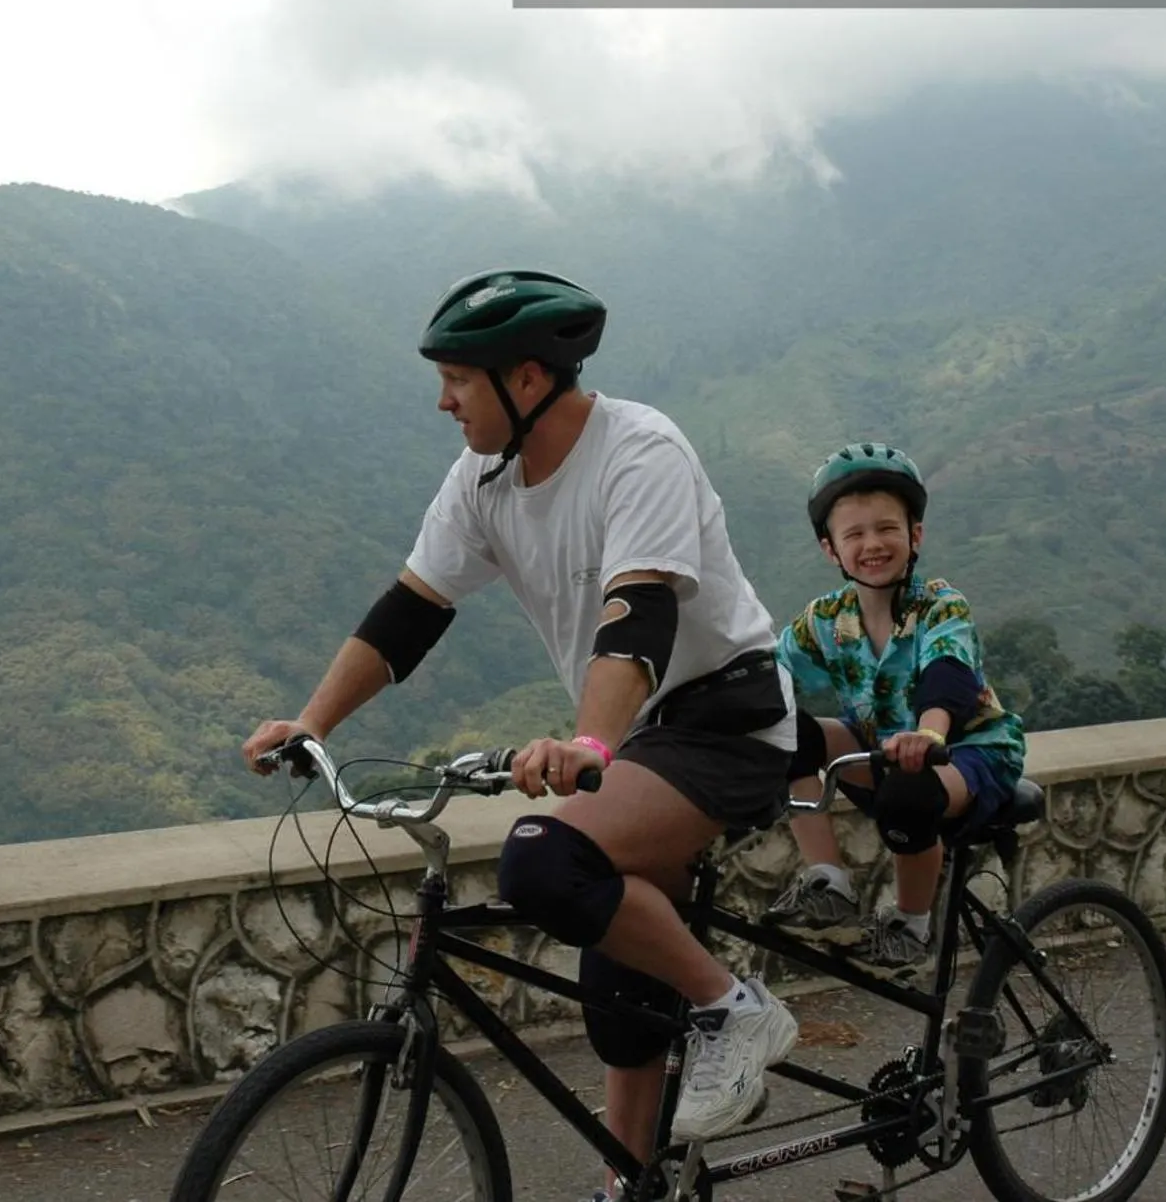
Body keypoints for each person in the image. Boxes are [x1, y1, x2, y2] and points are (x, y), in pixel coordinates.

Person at [241, 269, 803, 1198]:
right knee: (618, 977)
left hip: (723, 719)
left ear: (528, 380)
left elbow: (639, 616)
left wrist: (588, 748)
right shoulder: (482, 481)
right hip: (640, 736)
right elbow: (409, 613)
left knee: (544, 862)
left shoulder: (640, 451)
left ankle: (734, 1010)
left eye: (458, 379)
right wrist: (310, 722)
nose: (442, 400)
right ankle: (635, 1182)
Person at [762, 443, 1028, 978]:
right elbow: (769, 672)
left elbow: (946, 676)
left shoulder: (940, 605)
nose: (873, 544)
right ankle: (828, 882)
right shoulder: (825, 620)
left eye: (887, 528)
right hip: (879, 746)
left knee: (910, 791)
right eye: (854, 534)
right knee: (783, 731)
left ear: (915, 535)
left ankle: (910, 926)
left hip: (969, 752)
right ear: (830, 549)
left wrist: (929, 734)